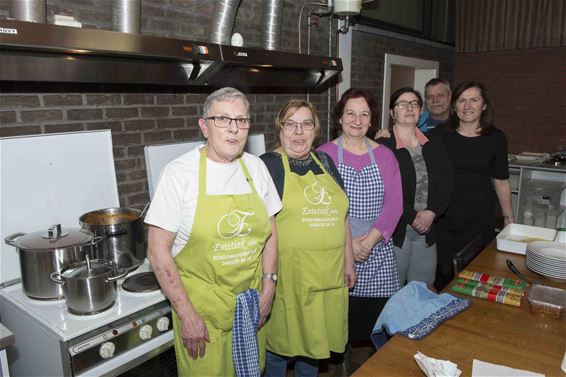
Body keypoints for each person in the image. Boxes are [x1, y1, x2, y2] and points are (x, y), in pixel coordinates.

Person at [145, 87, 282, 376]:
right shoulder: (179, 174)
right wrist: (186, 314)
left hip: (249, 308)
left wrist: (269, 285)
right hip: (202, 316)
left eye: (242, 120)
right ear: (204, 126)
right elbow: (157, 252)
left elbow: (270, 231)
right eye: (222, 119)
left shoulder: (256, 168)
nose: (233, 129)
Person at [260, 99, 356, 377]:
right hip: (290, 278)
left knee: (315, 347)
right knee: (280, 347)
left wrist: (349, 261)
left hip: (328, 275)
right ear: (280, 129)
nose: (298, 132)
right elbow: (260, 228)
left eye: (306, 124)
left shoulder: (325, 160)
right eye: (290, 124)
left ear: (316, 130)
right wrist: (268, 278)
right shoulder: (268, 165)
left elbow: (343, 215)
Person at [318, 88, 403, 349]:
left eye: (364, 114)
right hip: (337, 252)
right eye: (350, 113)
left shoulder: (386, 156)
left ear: (371, 120)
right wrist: (349, 246)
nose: (357, 120)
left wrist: (367, 243)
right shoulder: (323, 155)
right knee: (339, 326)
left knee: (378, 327)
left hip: (377, 250)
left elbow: (395, 205)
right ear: (340, 118)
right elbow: (319, 208)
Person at [430, 81, 514, 290]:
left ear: (484, 105)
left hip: (479, 219)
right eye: (462, 100)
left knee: (475, 279)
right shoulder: (439, 135)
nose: (467, 106)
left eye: (474, 100)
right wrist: (385, 137)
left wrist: (509, 221)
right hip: (445, 219)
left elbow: (501, 182)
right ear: (455, 106)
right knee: (443, 276)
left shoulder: (496, 138)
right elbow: (408, 145)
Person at [376, 87, 453, 286]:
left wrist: (432, 212)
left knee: (423, 289)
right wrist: (412, 217)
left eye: (414, 103)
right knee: (393, 290)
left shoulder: (433, 143)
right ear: (393, 113)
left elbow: (447, 180)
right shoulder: (383, 146)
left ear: (420, 111)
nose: (409, 107)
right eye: (402, 103)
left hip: (427, 229)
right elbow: (384, 191)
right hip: (396, 230)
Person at [375, 78, 451, 139]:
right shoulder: (414, 121)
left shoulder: (460, 125)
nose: (435, 100)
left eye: (440, 95)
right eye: (430, 97)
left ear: (450, 97)